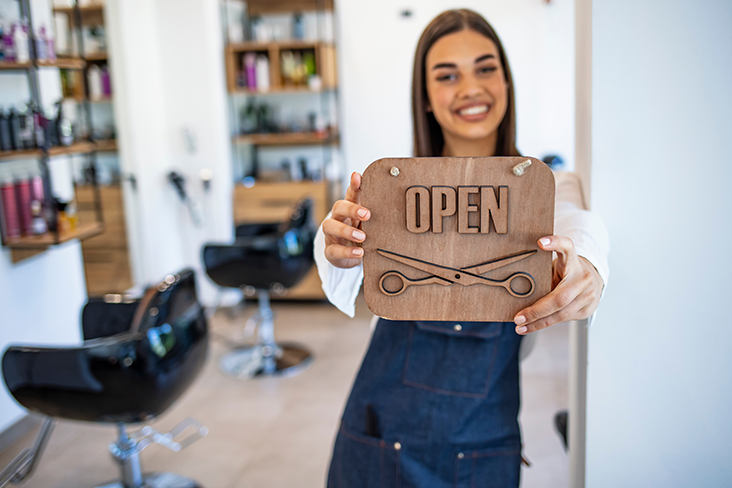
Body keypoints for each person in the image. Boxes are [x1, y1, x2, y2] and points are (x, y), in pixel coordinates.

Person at [314, 9, 609, 487]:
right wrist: (336, 241)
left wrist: (589, 267)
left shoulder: (544, 190)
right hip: (378, 436)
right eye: (447, 75)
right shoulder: (393, 189)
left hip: (482, 451)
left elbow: (579, 227)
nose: (471, 87)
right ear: (426, 98)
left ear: (507, 82)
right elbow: (341, 258)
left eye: (486, 68)